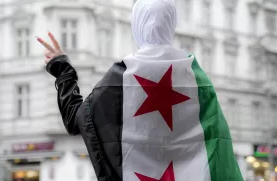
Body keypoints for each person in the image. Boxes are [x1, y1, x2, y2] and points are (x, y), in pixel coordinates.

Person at [37, 0, 244, 181]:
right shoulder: (197, 79)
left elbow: (77, 120)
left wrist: (62, 69)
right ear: (171, 23)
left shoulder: (122, 76)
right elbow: (218, 146)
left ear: (137, 24)